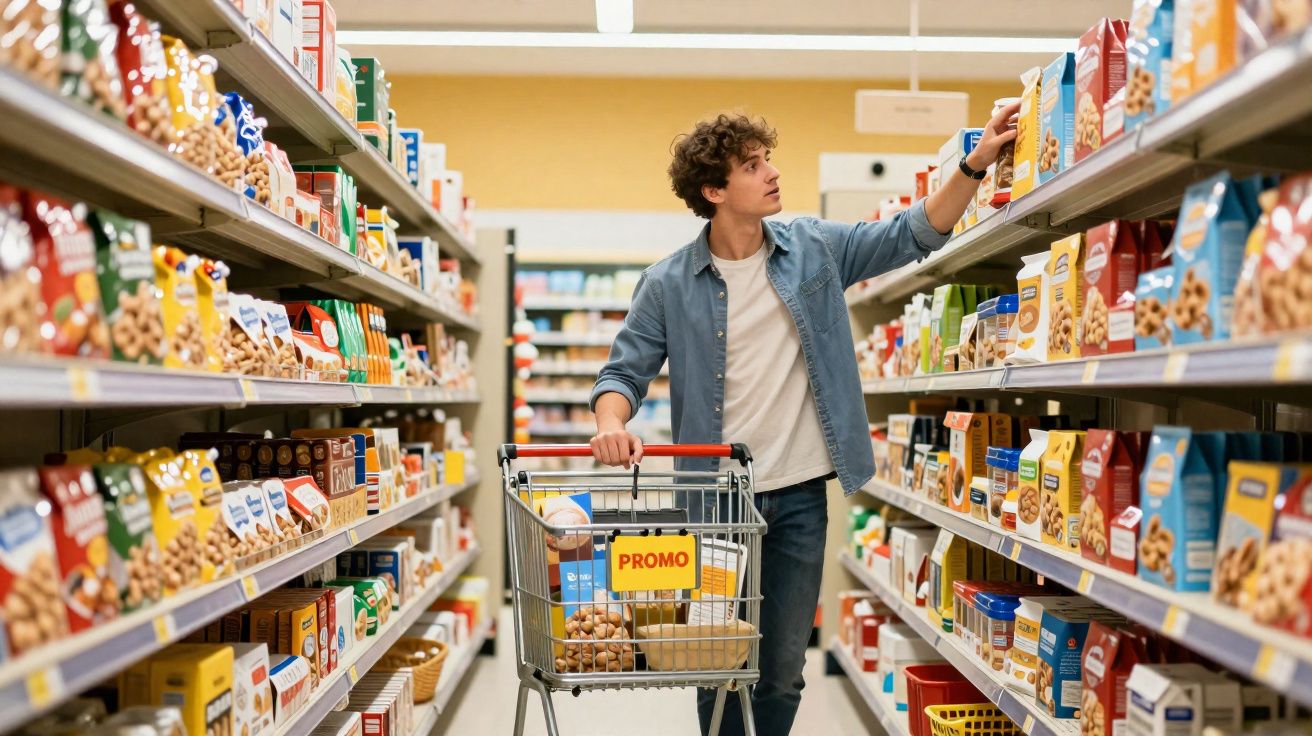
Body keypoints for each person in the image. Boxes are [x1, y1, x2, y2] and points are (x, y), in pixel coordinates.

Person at [587, 103, 1019, 736]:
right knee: (715, 662)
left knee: (783, 668)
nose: (772, 173)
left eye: (769, 159)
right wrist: (610, 421)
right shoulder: (668, 283)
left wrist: (973, 163)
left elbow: (913, 232)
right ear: (714, 191)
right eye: (753, 165)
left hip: (798, 496)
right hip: (715, 503)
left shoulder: (814, 248)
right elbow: (622, 375)